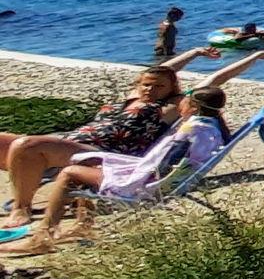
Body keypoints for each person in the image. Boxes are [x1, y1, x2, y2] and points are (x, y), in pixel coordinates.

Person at [0, 47, 264, 228]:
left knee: (27, 145)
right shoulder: (133, 96)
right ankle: (26, 189)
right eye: (146, 85)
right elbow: (161, 70)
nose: (150, 90)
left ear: (173, 90)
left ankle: (21, 209)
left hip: (102, 151)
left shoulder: (170, 107)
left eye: (159, 87)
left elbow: (217, 79)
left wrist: (256, 56)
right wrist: (195, 52)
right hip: (69, 139)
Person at [1, 90, 232, 255]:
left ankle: (43, 237)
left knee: (70, 173)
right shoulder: (210, 128)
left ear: (192, 107)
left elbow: (161, 166)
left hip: (147, 185)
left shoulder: (190, 130)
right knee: (92, 165)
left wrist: (126, 170)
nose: (180, 104)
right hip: (163, 180)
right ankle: (83, 227)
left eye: (185, 101)